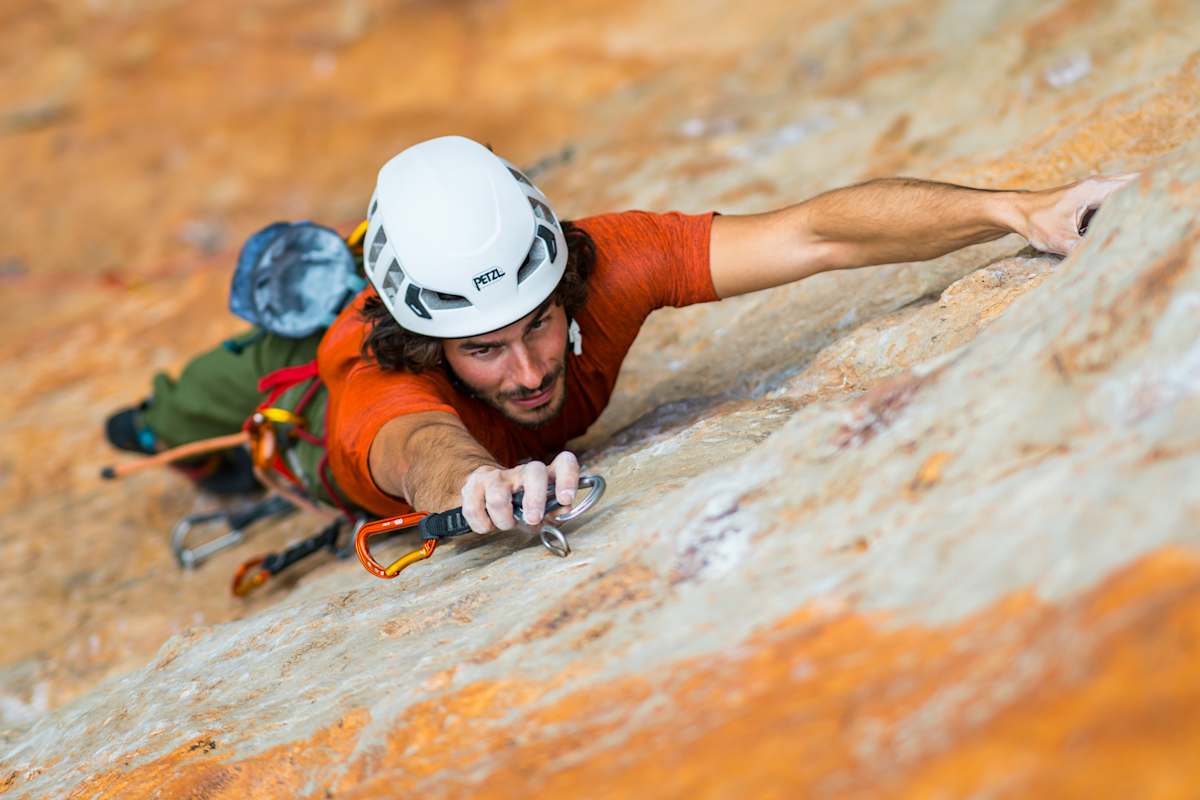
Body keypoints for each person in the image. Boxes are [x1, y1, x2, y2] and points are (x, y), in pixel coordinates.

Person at [106, 135, 1133, 535]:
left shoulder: (602, 263)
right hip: (308, 392)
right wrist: (476, 485)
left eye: (539, 324)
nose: (532, 367)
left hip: (403, 279)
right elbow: (419, 448)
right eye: (484, 350)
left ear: (560, 281)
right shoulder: (385, 389)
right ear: (431, 348)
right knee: (170, 413)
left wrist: (1022, 209)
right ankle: (177, 439)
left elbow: (814, 233)